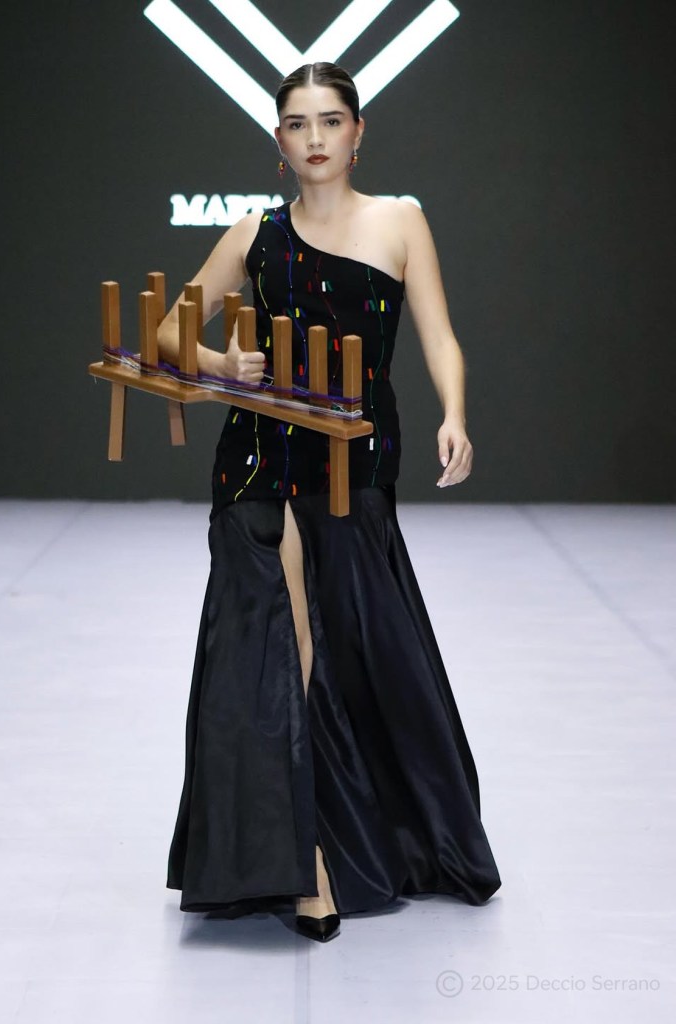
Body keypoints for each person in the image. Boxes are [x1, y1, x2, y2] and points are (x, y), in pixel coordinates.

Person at [157, 62, 501, 943]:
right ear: (278, 141)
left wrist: (455, 415)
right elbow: (167, 332)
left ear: (358, 132)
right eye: (297, 124)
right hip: (258, 460)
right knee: (278, 646)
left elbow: (439, 336)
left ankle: (369, 839)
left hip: (355, 464)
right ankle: (303, 868)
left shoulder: (400, 222)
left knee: (355, 652)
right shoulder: (253, 235)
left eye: (331, 120)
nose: (315, 138)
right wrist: (222, 364)